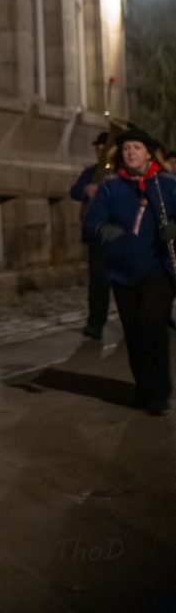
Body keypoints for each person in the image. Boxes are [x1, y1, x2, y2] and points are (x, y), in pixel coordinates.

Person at [84, 128, 176, 415]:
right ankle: (144, 388)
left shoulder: (167, 184)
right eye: (126, 148)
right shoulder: (110, 187)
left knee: (151, 322)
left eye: (137, 147)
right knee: (133, 332)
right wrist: (102, 230)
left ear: (148, 153)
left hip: (157, 267)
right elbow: (90, 225)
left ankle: (159, 391)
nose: (131, 152)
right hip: (122, 271)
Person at [69, 132, 111, 340]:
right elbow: (75, 192)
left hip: (121, 235)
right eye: (98, 149)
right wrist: (86, 190)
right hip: (97, 235)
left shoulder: (121, 172)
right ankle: (96, 323)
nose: (100, 152)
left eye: (104, 148)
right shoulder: (91, 172)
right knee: (98, 281)